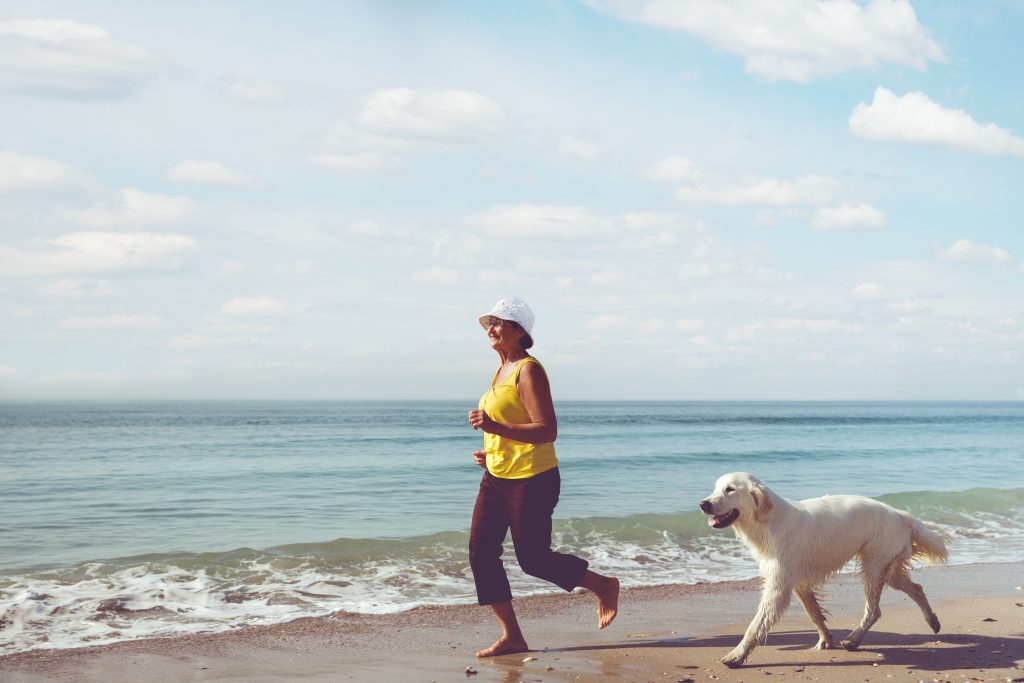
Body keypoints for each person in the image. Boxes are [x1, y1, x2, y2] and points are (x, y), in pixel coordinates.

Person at [467, 296, 619, 658]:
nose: (491, 328)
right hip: (497, 475)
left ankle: (603, 585)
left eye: (499, 322)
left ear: (519, 331)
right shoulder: (499, 371)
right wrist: (491, 450)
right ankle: (512, 636)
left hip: (533, 478)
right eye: (489, 322)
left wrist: (492, 425)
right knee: (480, 553)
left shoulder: (528, 369)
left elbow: (546, 430)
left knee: (532, 559)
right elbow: (512, 427)